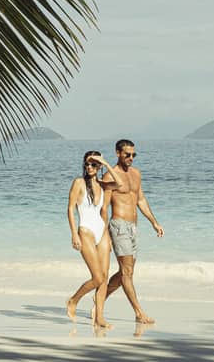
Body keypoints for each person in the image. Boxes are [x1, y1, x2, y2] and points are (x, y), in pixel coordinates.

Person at [104, 138, 164, 324]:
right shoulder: (110, 176)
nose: (131, 158)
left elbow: (140, 200)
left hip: (133, 227)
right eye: (127, 154)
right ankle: (139, 313)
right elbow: (103, 207)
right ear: (117, 153)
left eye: (133, 155)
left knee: (126, 272)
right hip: (118, 225)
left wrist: (154, 222)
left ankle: (99, 299)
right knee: (127, 272)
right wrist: (103, 234)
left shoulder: (136, 174)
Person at [65, 150, 126, 327]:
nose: (89, 167)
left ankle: (99, 318)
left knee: (105, 277)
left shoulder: (103, 184)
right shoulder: (78, 183)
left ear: (98, 166)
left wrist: (106, 164)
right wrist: (74, 233)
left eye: (93, 164)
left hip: (102, 231)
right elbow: (69, 208)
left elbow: (120, 183)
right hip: (85, 231)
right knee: (97, 278)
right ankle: (74, 300)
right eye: (87, 164)